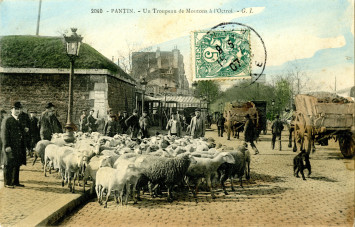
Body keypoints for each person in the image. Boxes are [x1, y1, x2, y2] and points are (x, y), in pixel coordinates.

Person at [1, 102, 27, 188]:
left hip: (18, 147)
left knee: (16, 163)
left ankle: (15, 181)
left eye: (19, 109)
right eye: (15, 109)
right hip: (10, 146)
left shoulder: (18, 120)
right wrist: (6, 146)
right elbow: (4, 134)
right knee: (8, 164)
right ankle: (7, 183)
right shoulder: (7, 120)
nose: (17, 111)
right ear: (11, 110)